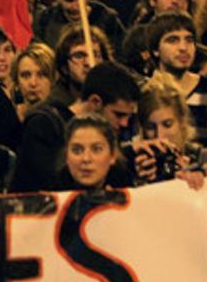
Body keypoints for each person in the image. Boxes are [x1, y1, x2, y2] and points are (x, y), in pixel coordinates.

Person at [14, 61, 140, 192]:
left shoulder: (109, 132)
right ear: (95, 102)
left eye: (97, 149)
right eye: (118, 115)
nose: (124, 123)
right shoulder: (42, 127)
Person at [59, 114, 121, 190]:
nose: (86, 159)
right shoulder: (47, 195)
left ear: (113, 155)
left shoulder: (132, 194)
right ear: (66, 156)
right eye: (77, 150)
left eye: (97, 149)